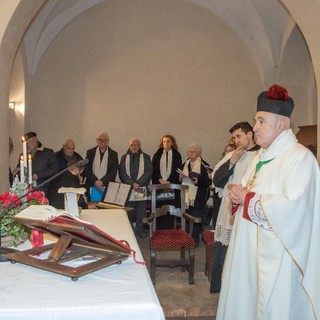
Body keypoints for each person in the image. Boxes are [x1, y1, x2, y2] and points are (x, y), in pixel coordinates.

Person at [216, 84, 320, 319]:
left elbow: (294, 209)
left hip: (277, 260)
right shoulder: (260, 157)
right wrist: (237, 196)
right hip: (247, 253)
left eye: (261, 121)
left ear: (281, 125)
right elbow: (247, 190)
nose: (255, 128)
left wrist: (247, 199)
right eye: (256, 121)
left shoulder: (300, 158)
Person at [210, 122, 259, 293]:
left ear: (250, 134)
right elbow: (216, 180)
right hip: (228, 210)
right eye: (234, 137)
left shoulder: (260, 156)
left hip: (247, 211)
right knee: (223, 249)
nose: (236, 140)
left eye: (239, 136)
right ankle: (220, 288)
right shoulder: (232, 155)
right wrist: (231, 162)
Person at [119, 138, 153, 238]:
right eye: (131, 145)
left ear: (139, 146)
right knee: (129, 210)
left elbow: (148, 171)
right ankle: (129, 231)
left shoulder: (146, 157)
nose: (133, 147)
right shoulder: (124, 157)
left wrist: (138, 183)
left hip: (140, 188)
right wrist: (131, 183)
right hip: (129, 188)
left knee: (140, 211)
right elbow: (122, 173)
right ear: (129, 146)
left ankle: (139, 230)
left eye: (135, 145)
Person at [179, 143, 211, 245]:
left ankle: (194, 240)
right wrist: (180, 178)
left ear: (199, 153)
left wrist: (198, 181)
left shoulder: (204, 165)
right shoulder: (184, 164)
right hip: (186, 196)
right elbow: (178, 179)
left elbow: (208, 182)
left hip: (198, 197)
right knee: (186, 218)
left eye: (193, 151)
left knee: (196, 218)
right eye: (189, 151)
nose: (191, 153)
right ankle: (186, 238)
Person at [152, 134, 182, 229]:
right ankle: (159, 230)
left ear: (172, 143)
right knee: (160, 208)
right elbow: (154, 168)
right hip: (159, 185)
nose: (166, 143)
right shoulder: (158, 154)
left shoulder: (177, 154)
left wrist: (169, 181)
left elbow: (177, 170)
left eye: (168, 141)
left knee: (170, 207)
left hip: (171, 186)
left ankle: (169, 229)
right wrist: (159, 179)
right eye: (164, 141)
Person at [15, 132, 59, 196]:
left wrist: (38, 175)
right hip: (27, 189)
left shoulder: (47, 153)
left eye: (34, 140)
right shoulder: (23, 156)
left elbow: (54, 169)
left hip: (44, 188)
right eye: (29, 142)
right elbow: (20, 169)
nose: (33, 142)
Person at [84, 131, 118, 200]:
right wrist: (96, 181)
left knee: (105, 208)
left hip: (107, 185)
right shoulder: (90, 152)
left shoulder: (113, 154)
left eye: (103, 140)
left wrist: (101, 181)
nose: (101, 142)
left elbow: (113, 172)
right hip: (92, 184)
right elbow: (87, 169)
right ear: (96, 140)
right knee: (93, 207)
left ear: (107, 141)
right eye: (99, 140)